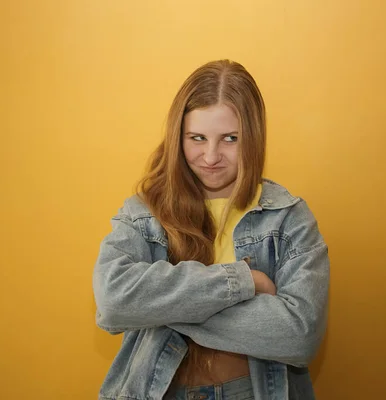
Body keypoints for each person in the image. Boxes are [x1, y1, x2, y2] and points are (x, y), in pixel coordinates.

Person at [93, 59, 330, 400]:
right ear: (179, 136)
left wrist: (159, 304)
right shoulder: (144, 213)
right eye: (197, 138)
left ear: (253, 137)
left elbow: (299, 335)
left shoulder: (288, 217)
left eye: (230, 138)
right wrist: (242, 281)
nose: (211, 156)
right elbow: (114, 300)